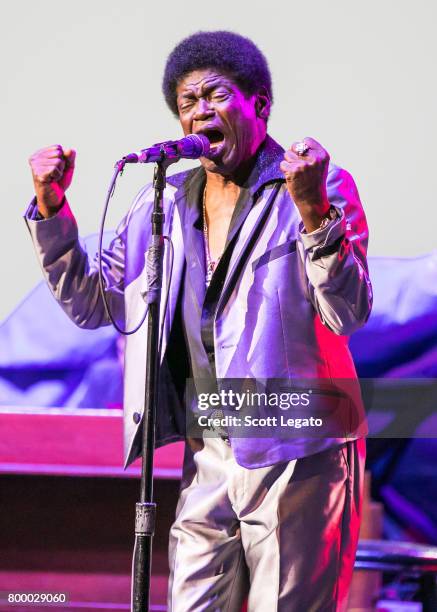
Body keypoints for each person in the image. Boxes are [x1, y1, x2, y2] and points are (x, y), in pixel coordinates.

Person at [26, 31, 372, 612]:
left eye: (215, 95)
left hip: (298, 446)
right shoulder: (160, 203)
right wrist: (52, 210)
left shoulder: (316, 189)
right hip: (208, 445)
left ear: (258, 105)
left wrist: (313, 212)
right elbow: (95, 304)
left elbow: (347, 311)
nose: (198, 112)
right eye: (187, 102)